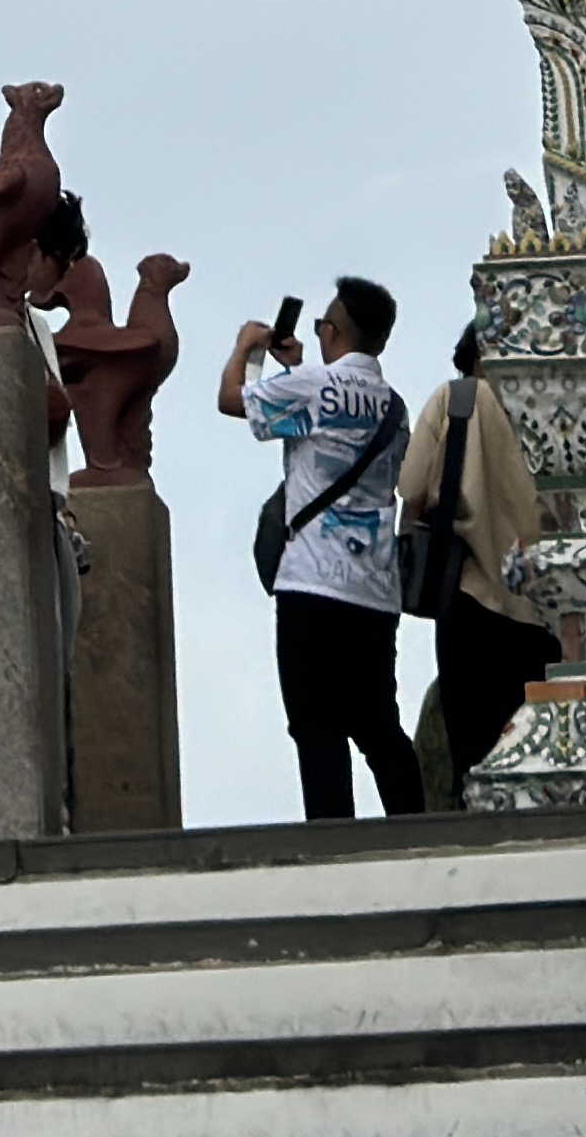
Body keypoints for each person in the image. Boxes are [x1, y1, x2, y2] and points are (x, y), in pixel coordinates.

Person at [222, 277, 421, 819]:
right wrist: (297, 367)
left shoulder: (311, 385)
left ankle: (335, 843)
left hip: (311, 580)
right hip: (374, 590)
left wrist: (249, 349)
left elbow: (232, 400)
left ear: (331, 331)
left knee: (316, 728)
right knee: (379, 723)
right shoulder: (393, 407)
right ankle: (417, 829)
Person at [415, 314, 560, 808]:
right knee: (541, 737)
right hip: (543, 603)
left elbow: (412, 490)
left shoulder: (452, 403)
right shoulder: (546, 400)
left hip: (470, 596)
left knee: (474, 752)